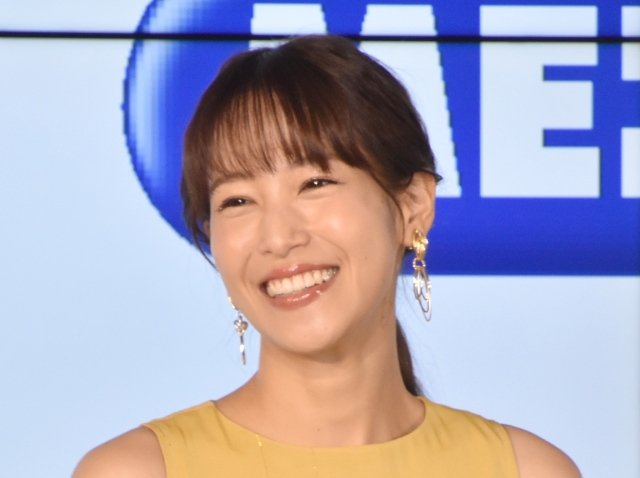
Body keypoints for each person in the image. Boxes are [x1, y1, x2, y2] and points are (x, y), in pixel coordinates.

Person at [74, 35, 580, 477]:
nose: (278, 237)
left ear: (413, 205)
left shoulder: (525, 470)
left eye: (315, 184)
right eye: (237, 201)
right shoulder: (137, 470)